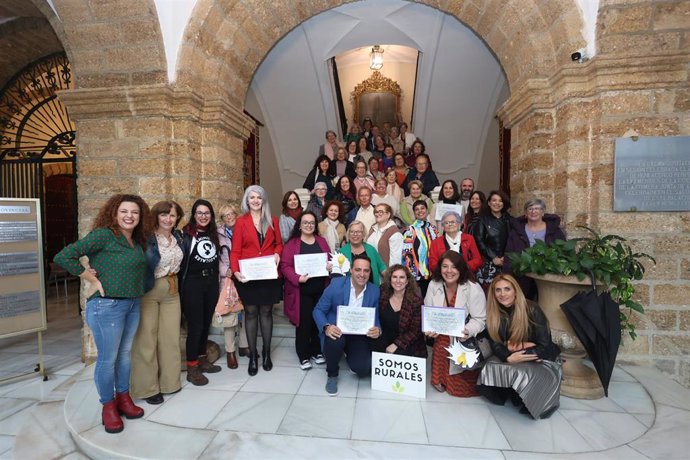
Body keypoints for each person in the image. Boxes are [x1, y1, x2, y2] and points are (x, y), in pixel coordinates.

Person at [54, 194, 149, 433]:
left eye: (135, 212)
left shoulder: (135, 240)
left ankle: (123, 398)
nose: (129, 216)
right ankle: (108, 405)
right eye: (124, 211)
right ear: (114, 213)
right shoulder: (104, 235)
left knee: (125, 355)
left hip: (132, 304)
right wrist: (89, 277)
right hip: (107, 306)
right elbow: (64, 256)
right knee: (108, 359)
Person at [477, 275, 562, 419]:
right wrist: (508, 355)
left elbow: (545, 347)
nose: (502, 294)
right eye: (498, 290)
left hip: (538, 357)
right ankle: (512, 392)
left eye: (507, 289)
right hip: (513, 356)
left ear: (515, 291)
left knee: (522, 374)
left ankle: (526, 395)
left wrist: (518, 349)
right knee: (488, 369)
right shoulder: (494, 312)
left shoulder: (532, 309)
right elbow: (495, 343)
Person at [131, 200, 184, 405]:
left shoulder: (178, 237)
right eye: (164, 215)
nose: (168, 219)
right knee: (146, 338)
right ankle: (147, 388)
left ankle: (170, 382)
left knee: (170, 337)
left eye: (172, 215)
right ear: (156, 216)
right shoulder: (146, 237)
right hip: (149, 290)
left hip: (172, 289)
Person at [231, 185, 283, 376]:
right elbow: (235, 250)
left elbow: (279, 244)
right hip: (248, 275)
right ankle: (253, 355)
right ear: (247, 200)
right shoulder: (240, 222)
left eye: (258, 197)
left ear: (264, 200)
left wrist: (277, 254)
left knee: (267, 312)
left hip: (269, 274)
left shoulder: (273, 220)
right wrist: (235, 271)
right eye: (251, 197)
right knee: (251, 313)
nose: (255, 201)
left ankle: (266, 352)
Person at [313, 254, 382, 396]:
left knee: (363, 369)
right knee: (335, 341)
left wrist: (378, 329)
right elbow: (318, 310)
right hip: (337, 331)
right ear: (351, 270)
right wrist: (326, 327)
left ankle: (350, 354)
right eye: (358, 270)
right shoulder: (336, 285)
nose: (362, 274)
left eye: (366, 271)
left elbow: (375, 318)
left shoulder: (374, 291)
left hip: (358, 335)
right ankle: (332, 375)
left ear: (370, 272)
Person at [425, 250, 487, 397]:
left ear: (461, 268)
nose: (449, 271)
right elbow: (429, 313)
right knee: (441, 342)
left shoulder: (472, 287)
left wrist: (467, 330)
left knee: (458, 390)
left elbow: (480, 319)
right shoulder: (434, 285)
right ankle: (439, 379)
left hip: (464, 337)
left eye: (454, 267)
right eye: (445, 266)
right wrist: (429, 329)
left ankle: (455, 376)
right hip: (441, 334)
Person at [280, 212, 332, 369]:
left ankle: (317, 351)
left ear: (315, 225)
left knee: (318, 321)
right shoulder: (292, 244)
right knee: (303, 323)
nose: (309, 225)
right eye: (305, 222)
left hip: (320, 290)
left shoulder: (322, 241)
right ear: (300, 225)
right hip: (300, 290)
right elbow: (285, 266)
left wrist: (330, 265)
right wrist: (297, 278)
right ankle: (303, 355)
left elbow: (329, 259)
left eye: (312, 223)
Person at [179, 199, 221, 386]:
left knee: (205, 324)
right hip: (193, 284)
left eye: (207, 213)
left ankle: (202, 359)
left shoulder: (213, 234)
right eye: (199, 213)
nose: (203, 216)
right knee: (195, 326)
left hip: (211, 283)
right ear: (194, 215)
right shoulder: (186, 235)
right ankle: (192, 367)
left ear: (211, 216)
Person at [503, 198, 566, 300]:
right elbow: (509, 253)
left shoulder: (554, 230)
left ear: (542, 212)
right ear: (526, 213)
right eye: (530, 209)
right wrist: (507, 277)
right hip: (522, 276)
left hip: (546, 277)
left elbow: (563, 251)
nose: (533, 211)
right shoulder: (517, 231)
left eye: (537, 208)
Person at [216, 203, 249, 367]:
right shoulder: (217, 234)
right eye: (225, 216)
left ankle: (244, 346)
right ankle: (230, 351)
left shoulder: (245, 229)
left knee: (246, 312)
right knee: (230, 314)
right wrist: (225, 270)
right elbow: (215, 258)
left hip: (244, 276)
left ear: (237, 215)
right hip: (228, 278)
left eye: (231, 214)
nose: (229, 218)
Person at [372, 265, 427, 357]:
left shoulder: (415, 300)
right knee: (371, 350)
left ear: (407, 281)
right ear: (390, 279)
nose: (398, 281)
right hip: (385, 336)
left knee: (398, 355)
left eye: (402, 277)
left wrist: (396, 344)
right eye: (394, 277)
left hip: (407, 340)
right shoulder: (382, 292)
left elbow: (416, 330)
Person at [472, 190, 511, 289]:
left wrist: (505, 257)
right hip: (488, 263)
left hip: (506, 262)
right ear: (489, 203)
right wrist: (493, 257)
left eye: (500, 201)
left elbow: (513, 240)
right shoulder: (482, 220)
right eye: (494, 200)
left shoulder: (509, 219)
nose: (497, 203)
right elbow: (479, 240)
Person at [401, 200, 439, 296]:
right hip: (417, 276)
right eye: (417, 209)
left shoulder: (433, 229)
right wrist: (410, 275)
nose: (420, 211)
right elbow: (406, 254)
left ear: (427, 211)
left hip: (433, 274)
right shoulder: (410, 230)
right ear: (414, 213)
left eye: (422, 208)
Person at [340, 221, 387, 285]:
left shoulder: (371, 249)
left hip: (372, 290)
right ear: (348, 234)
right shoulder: (341, 252)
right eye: (352, 231)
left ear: (363, 234)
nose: (355, 234)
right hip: (350, 291)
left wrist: (393, 279)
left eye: (358, 232)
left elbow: (382, 267)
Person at [367, 203, 403, 268]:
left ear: (388, 214)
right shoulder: (373, 228)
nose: (377, 214)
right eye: (376, 212)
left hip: (386, 273)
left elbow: (395, 259)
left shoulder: (394, 232)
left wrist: (390, 275)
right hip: (372, 270)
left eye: (381, 212)